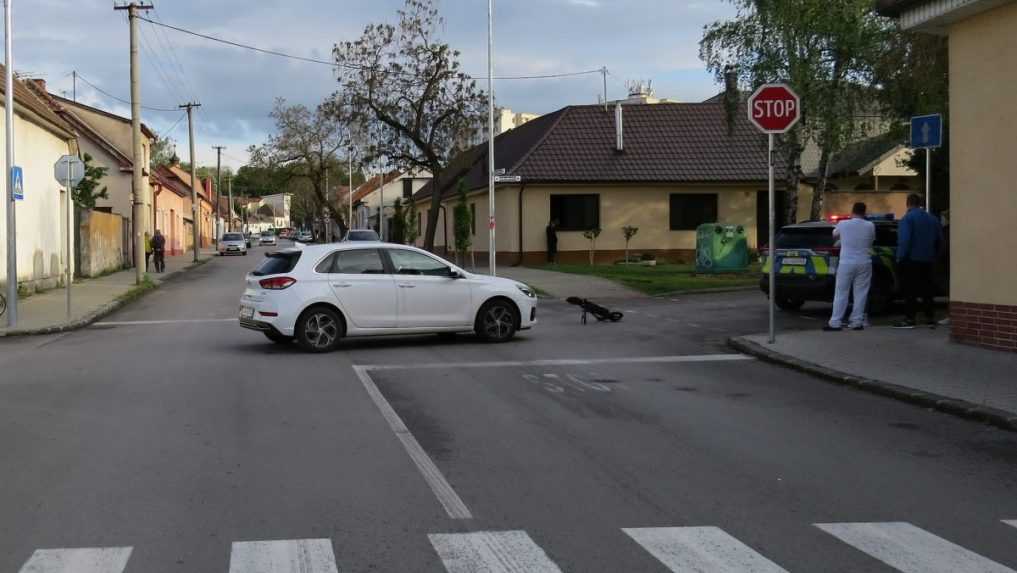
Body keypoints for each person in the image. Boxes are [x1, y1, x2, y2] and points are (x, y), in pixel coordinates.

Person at [893, 194, 943, 329]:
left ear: (908, 204)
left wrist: (900, 257)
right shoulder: (933, 219)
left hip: (911, 260)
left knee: (910, 290)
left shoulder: (907, 219)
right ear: (920, 203)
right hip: (928, 260)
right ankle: (929, 318)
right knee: (927, 290)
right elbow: (940, 240)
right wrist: (935, 256)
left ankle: (910, 318)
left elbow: (905, 240)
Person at [824, 202, 875, 332]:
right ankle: (857, 322)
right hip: (864, 262)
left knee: (841, 292)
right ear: (865, 212)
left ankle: (835, 322)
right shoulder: (870, 225)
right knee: (861, 293)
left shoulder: (843, 224)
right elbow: (870, 240)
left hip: (846, 263)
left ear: (852, 211)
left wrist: (842, 239)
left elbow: (834, 234)